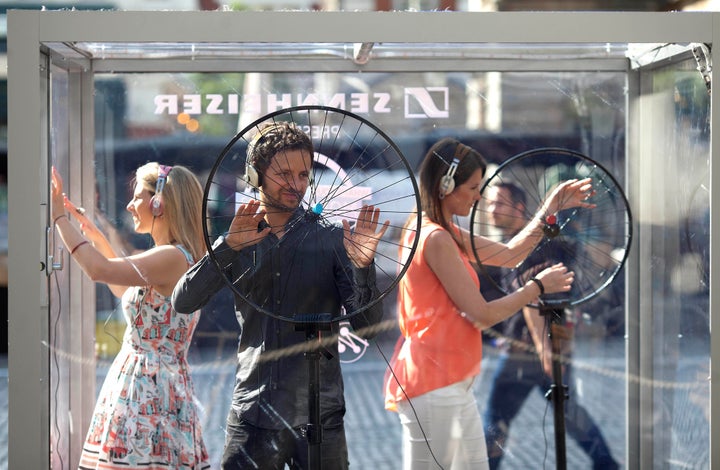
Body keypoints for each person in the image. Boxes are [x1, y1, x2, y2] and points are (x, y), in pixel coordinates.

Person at [171, 121, 389, 469]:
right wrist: (227, 247)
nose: (296, 184)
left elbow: (368, 325)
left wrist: (363, 266)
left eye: (303, 174)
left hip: (320, 413)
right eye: (284, 173)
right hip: (255, 407)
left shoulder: (332, 239)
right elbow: (183, 301)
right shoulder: (240, 237)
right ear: (256, 175)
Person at [383, 137, 595, 470]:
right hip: (432, 385)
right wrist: (537, 287)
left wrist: (550, 206)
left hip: (450, 383)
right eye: (472, 187)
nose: (479, 196)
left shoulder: (440, 230)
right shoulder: (435, 237)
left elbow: (510, 255)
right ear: (446, 185)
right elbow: (481, 314)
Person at [51, 163, 210, 470]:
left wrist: (58, 216)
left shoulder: (172, 256)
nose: (130, 205)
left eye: (138, 197)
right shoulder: (173, 255)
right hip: (149, 388)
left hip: (148, 392)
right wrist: (97, 239)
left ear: (159, 203)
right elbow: (124, 287)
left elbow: (100, 271)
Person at [482, 181, 620, 470]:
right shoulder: (516, 246)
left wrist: (547, 349)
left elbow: (540, 299)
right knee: (568, 412)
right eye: (489, 203)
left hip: (528, 350)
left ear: (520, 207)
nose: (490, 209)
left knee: (495, 420)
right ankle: (606, 463)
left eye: (499, 203)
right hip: (542, 347)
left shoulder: (529, 247)